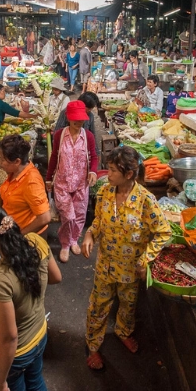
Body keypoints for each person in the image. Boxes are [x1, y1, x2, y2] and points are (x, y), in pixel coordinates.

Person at [82, 147, 171, 370]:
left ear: (129, 174)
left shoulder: (145, 200)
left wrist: (146, 260)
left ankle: (123, 332)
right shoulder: (104, 192)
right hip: (105, 264)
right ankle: (93, 345)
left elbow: (163, 232)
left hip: (131, 268)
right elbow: (99, 222)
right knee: (98, 305)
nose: (107, 174)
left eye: (112, 170)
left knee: (128, 304)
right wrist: (90, 234)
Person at [0, 201, 61, 391]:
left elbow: (9, 337)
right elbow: (56, 277)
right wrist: (30, 279)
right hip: (40, 335)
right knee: (36, 382)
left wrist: (0, 383)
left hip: (16, 355)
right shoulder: (35, 240)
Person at [46, 101, 99, 263]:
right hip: (62, 183)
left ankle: (74, 240)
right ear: (68, 118)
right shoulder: (60, 135)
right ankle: (64, 244)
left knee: (80, 216)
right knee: (68, 217)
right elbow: (54, 157)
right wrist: (48, 178)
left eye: (81, 119)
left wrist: (93, 171)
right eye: (75, 119)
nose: (78, 122)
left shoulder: (88, 136)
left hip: (81, 185)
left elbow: (94, 156)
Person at [0, 135, 51, 236]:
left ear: (17, 161)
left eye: (2, 160)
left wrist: (20, 235)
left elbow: (45, 218)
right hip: (11, 228)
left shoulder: (32, 182)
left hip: (29, 237)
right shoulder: (14, 172)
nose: (0, 163)